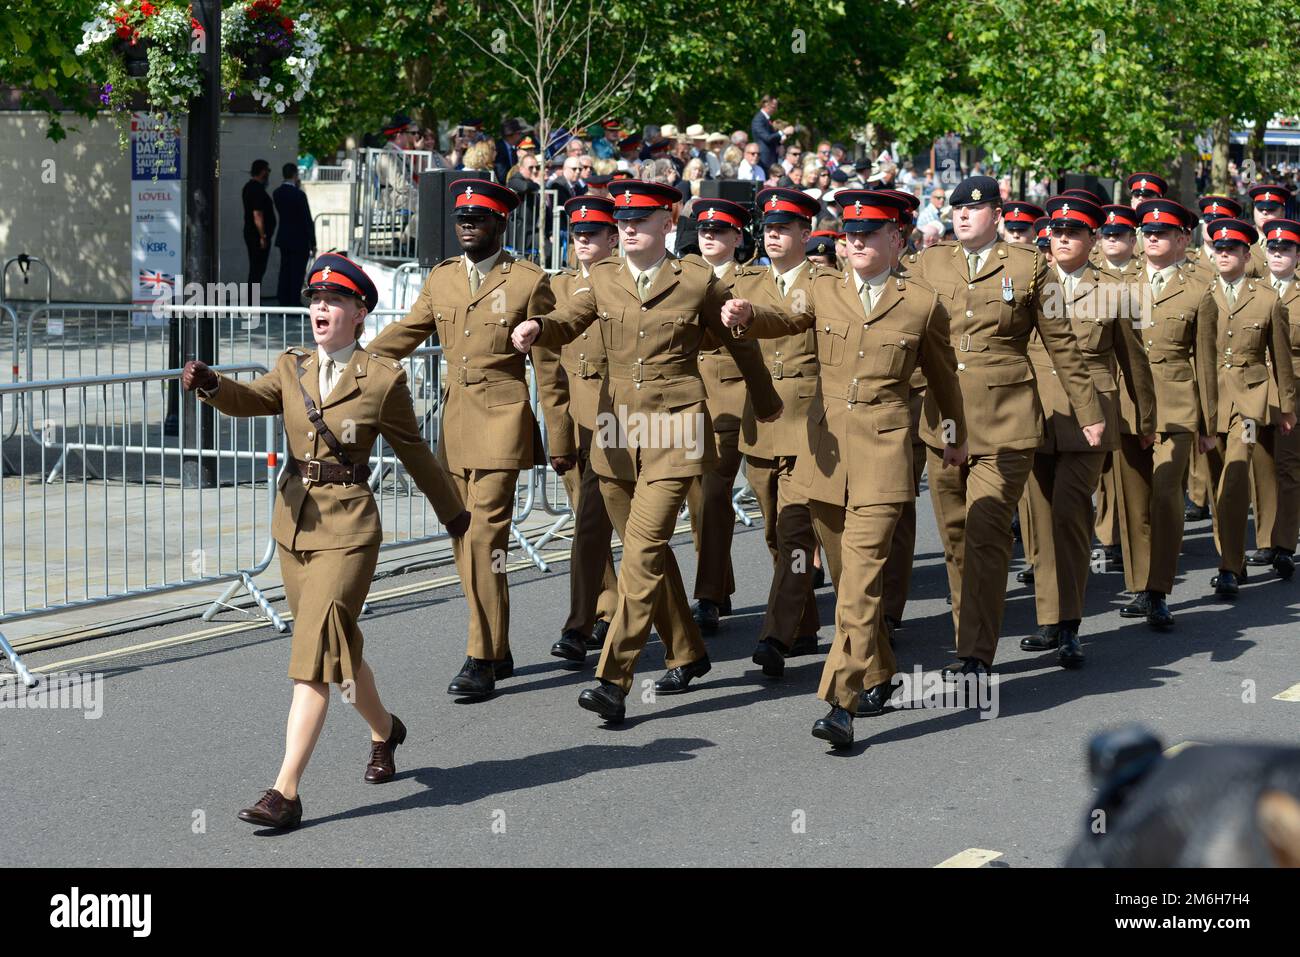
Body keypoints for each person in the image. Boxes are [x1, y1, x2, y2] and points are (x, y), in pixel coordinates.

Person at [182, 254, 470, 830]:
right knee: (339, 653)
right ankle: (387, 730)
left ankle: (285, 791)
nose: (320, 309)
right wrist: (214, 384)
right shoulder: (292, 367)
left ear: (360, 312)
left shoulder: (383, 379)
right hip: (294, 528)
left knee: (312, 659)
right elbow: (253, 398)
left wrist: (456, 516)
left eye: (334, 301)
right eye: (315, 300)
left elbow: (415, 453)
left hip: (349, 533)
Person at [510, 180, 783, 723]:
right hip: (614, 430)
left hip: (676, 427)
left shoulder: (696, 278)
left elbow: (736, 339)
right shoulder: (604, 277)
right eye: (622, 218)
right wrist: (540, 327)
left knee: (641, 548)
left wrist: (766, 401)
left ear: (667, 221)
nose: (628, 226)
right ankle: (686, 649)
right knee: (646, 553)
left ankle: (613, 677)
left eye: (641, 218)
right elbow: (572, 319)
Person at [723, 189, 968, 748]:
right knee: (843, 576)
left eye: (869, 234)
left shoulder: (921, 304)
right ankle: (879, 671)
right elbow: (785, 319)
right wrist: (745, 315)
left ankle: (841, 702)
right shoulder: (823, 287)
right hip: (825, 454)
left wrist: (953, 436)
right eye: (850, 234)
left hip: (883, 457)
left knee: (858, 583)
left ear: (896, 240)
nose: (856, 242)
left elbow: (945, 382)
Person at [366, 180, 555, 698]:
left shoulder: (528, 281)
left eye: (479, 217)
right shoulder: (443, 279)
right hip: (455, 425)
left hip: (502, 420)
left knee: (484, 539)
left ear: (501, 224)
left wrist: (559, 436)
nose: (467, 224)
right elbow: (406, 332)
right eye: (461, 217)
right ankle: (500, 646)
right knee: (462, 539)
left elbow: (552, 363)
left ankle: (480, 657)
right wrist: (351, 364)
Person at [912, 176, 1104, 679]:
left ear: (996, 215)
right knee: (955, 536)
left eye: (973, 209)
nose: (962, 215)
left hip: (1007, 420)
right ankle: (965, 638)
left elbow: (1061, 343)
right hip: (943, 420)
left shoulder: (1030, 266)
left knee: (986, 530)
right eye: (955, 209)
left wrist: (1089, 412)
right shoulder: (930, 262)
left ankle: (976, 652)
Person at [1015, 195, 1156, 668]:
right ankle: (1048, 618)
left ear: (1093, 238)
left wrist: (1145, 421)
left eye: (1073, 232)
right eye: (1055, 230)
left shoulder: (1114, 291)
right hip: (1036, 415)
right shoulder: (1030, 282)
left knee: (1070, 515)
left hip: (1090, 421)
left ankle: (1070, 624)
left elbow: (1134, 363)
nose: (1061, 239)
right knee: (1038, 520)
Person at [530, 196, 621, 662]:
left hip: (619, 420)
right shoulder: (557, 286)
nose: (583, 239)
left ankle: (635, 613)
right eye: (577, 233)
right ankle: (599, 611)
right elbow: (549, 370)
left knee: (623, 525)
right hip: (577, 423)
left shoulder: (627, 283)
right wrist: (559, 435)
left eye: (594, 233)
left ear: (613, 237)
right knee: (588, 524)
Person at [739, 188, 824, 676]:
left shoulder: (826, 281)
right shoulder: (747, 280)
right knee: (774, 531)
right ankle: (805, 624)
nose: (772, 236)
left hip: (807, 422)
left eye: (783, 228)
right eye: (768, 228)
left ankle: (775, 635)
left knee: (795, 532)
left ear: (804, 234)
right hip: (762, 422)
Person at [1203, 216, 1297, 596]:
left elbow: (1281, 358)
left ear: (1246, 254)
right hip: (1209, 400)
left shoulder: (1267, 299)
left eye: (1231, 250)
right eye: (1219, 249)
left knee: (1238, 473)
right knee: (1215, 480)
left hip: (1249, 403)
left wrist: (1287, 405)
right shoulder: (1200, 293)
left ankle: (1228, 566)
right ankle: (1233, 557)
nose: (1224, 255)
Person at [1248, 217, 1300, 575]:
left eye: (1286, 249)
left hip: (1293, 391)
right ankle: (1265, 541)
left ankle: (1284, 543)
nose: (1278, 254)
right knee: (1260, 467)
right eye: (1274, 248)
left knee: (1288, 468)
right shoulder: (1252, 291)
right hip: (1254, 390)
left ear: (1298, 255)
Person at [273, 162, 316, 308]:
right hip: (299, 238)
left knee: (284, 270)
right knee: (297, 272)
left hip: (284, 237)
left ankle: (283, 300)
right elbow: (307, 219)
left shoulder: (277, 193)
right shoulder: (299, 194)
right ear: (295, 175)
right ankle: (293, 301)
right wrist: (313, 242)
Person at [242, 159, 276, 290]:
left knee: (256, 270)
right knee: (257, 270)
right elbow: (257, 214)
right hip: (257, 236)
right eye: (268, 170)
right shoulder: (256, 189)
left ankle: (252, 302)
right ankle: (252, 303)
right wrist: (263, 236)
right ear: (262, 171)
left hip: (253, 234)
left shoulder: (249, 187)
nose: (268, 173)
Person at [751, 95, 788, 170]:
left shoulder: (766, 119)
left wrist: (780, 141)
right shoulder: (759, 119)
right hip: (764, 160)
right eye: (773, 106)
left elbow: (772, 139)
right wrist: (783, 132)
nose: (776, 109)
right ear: (766, 104)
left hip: (770, 158)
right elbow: (767, 138)